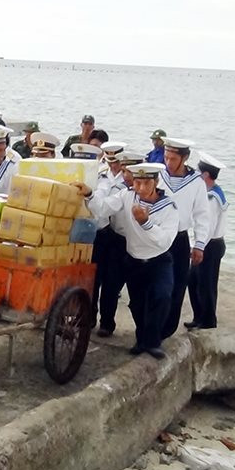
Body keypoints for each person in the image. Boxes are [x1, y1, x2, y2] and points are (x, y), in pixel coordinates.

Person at [78, 162, 178, 359]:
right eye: (137, 182)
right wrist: (89, 193)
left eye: (146, 183)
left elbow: (165, 240)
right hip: (134, 259)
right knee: (137, 304)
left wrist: (145, 223)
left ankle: (153, 341)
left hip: (158, 261)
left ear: (156, 182)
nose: (140, 188)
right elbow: (104, 207)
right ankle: (143, 340)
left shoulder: (169, 206)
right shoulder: (127, 195)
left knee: (162, 297)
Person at [158, 137, 211, 340]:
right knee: (154, 286)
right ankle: (150, 326)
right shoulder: (159, 175)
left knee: (177, 286)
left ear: (185, 158)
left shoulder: (196, 183)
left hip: (179, 239)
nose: (168, 163)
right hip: (158, 236)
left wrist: (199, 245)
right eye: (166, 157)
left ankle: (166, 329)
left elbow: (202, 215)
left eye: (173, 159)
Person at [90, 144, 136, 336]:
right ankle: (89, 317)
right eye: (110, 162)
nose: (114, 167)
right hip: (100, 232)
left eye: (117, 162)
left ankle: (107, 322)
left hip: (118, 234)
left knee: (112, 282)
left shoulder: (130, 181)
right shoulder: (100, 174)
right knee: (93, 279)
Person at [187, 152, 228, 330]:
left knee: (206, 284)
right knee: (194, 280)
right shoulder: (210, 192)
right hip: (208, 244)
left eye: (198, 171)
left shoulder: (211, 197)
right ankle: (199, 316)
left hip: (210, 245)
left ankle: (208, 321)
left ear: (205, 175)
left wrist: (198, 246)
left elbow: (208, 227)